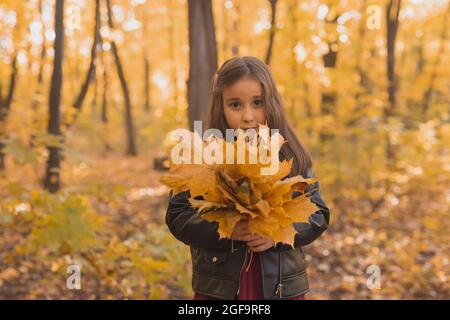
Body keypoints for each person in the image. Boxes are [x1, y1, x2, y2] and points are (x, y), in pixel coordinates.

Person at [166, 56, 330, 300]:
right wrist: (225, 230)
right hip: (219, 290)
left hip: (281, 289)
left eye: (257, 103)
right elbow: (178, 216)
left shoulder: (291, 155)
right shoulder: (202, 158)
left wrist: (276, 234)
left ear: (271, 103)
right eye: (235, 105)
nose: (247, 116)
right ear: (220, 106)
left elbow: (318, 214)